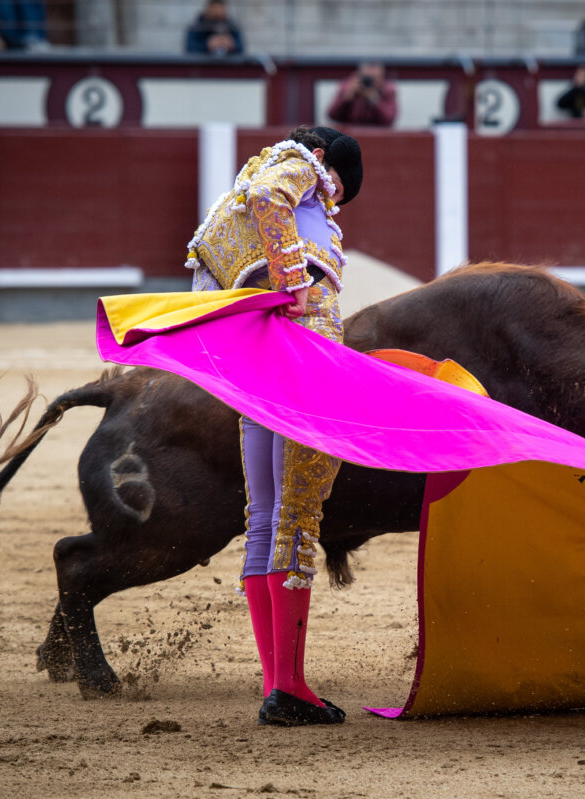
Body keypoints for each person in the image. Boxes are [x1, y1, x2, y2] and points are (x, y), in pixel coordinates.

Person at [185, 126, 363, 726]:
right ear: (325, 160)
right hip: (303, 361)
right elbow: (270, 196)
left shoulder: (242, 189)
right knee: (296, 519)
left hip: (262, 360)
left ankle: (279, 686)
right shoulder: (299, 166)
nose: (331, 199)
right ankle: (289, 688)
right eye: (336, 187)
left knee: (264, 519)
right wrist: (293, 283)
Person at [327, 62, 397, 127]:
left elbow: (389, 119)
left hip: (377, 134)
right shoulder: (348, 86)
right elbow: (332, 115)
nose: (369, 82)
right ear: (359, 75)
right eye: (366, 78)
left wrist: (374, 99)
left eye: (373, 78)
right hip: (349, 132)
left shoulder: (388, 90)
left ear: (382, 77)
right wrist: (347, 98)